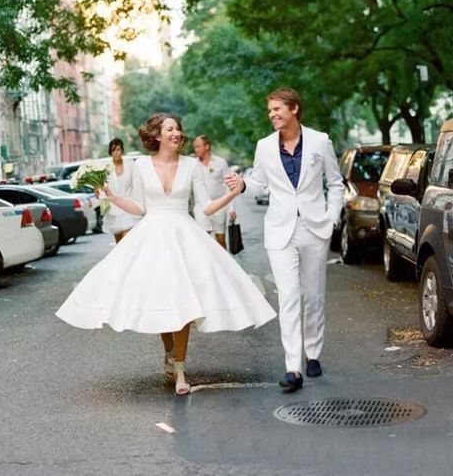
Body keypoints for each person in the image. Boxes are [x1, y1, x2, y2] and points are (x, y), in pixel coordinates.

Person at [56, 113, 276, 396]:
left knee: (184, 300)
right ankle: (170, 352)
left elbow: (205, 208)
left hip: (185, 235)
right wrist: (111, 196)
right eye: (169, 129)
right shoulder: (141, 165)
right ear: (157, 135)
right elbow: (138, 206)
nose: (176, 133)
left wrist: (232, 195)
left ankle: (181, 368)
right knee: (162, 296)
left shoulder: (192, 165)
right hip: (152, 235)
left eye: (178, 128)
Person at [226, 88, 343, 394]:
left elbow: (335, 183)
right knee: (288, 296)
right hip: (280, 231)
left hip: (315, 228)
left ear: (294, 109)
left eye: (277, 109)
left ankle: (313, 352)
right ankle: (293, 366)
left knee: (313, 295)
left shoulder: (319, 140)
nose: (273, 114)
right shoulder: (264, 146)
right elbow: (260, 185)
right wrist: (242, 185)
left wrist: (333, 217)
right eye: (270, 111)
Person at [192, 135, 237, 249]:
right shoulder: (192, 164)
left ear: (207, 146)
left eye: (198, 146)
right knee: (203, 239)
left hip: (219, 206)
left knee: (220, 240)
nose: (195, 150)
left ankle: (223, 264)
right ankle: (206, 265)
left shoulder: (221, 163)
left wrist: (231, 209)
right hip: (200, 207)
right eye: (194, 147)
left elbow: (229, 186)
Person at [102, 138, 139, 243]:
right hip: (114, 208)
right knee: (119, 242)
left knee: (127, 239)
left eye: (118, 149)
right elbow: (102, 186)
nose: (116, 152)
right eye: (113, 150)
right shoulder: (106, 168)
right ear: (110, 152)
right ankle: (122, 259)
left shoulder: (130, 164)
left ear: (122, 150)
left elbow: (136, 183)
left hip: (128, 205)